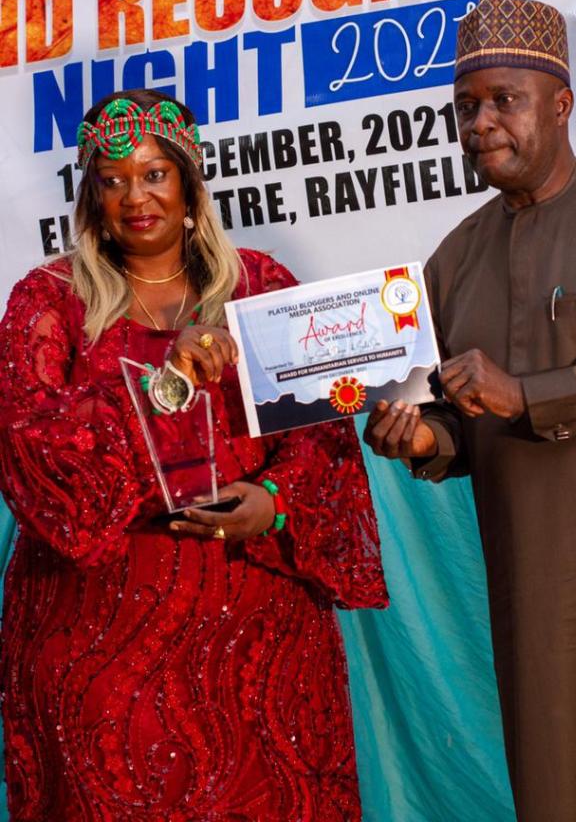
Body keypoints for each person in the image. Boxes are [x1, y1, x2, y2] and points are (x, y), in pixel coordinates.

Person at [0, 89, 387, 822]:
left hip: (260, 637)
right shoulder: (48, 302)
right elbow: (33, 451)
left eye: (154, 174)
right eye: (112, 180)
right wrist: (165, 382)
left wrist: (275, 503)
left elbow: (320, 435)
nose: (134, 197)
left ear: (188, 184)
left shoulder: (260, 285)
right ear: (91, 199)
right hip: (101, 649)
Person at [365, 0, 576, 822]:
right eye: (465, 107)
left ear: (560, 103)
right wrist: (419, 440)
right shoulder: (451, 261)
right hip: (535, 595)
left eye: (503, 100)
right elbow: (448, 419)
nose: (480, 124)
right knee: (559, 784)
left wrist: (527, 394)